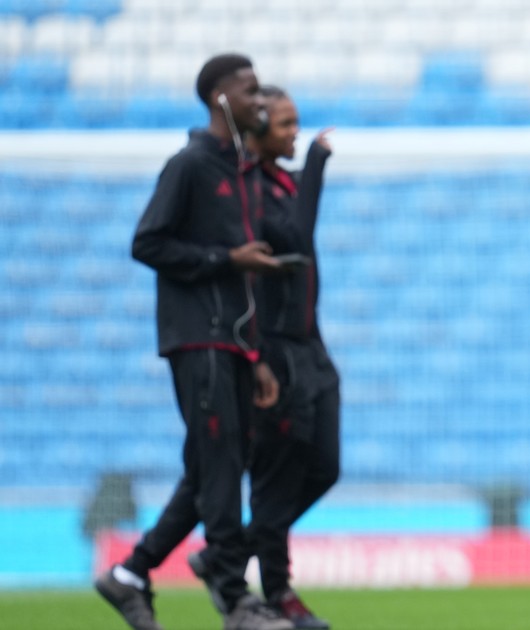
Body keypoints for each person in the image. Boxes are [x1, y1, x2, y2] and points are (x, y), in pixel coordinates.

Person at [94, 53, 295, 630]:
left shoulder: (240, 172)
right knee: (222, 466)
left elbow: (243, 280)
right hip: (197, 341)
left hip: (234, 346)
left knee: (211, 468)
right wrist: (225, 259)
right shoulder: (188, 165)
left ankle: (130, 574)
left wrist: (256, 355)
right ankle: (235, 598)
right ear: (219, 98)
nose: (259, 99)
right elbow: (147, 243)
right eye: (249, 90)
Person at [199, 85, 340, 630]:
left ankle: (227, 555)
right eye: (285, 124)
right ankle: (276, 592)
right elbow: (296, 239)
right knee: (276, 477)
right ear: (257, 132)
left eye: (297, 123)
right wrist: (318, 163)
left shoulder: (282, 182)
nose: (295, 133)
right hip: (275, 347)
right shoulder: (249, 190)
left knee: (324, 467)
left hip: (310, 345)